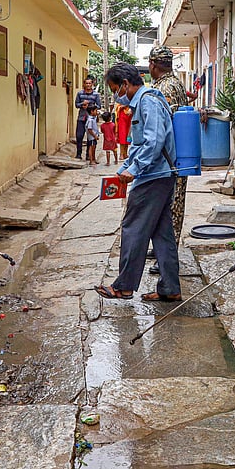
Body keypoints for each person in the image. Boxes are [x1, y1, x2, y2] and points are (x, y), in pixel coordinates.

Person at [93, 62, 181, 303]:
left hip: (153, 177)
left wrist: (135, 169)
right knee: (162, 233)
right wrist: (125, 167)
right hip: (159, 175)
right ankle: (170, 288)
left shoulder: (148, 101)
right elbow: (141, 143)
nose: (115, 95)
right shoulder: (144, 101)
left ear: (125, 84)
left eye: (115, 90)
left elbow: (154, 141)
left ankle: (124, 287)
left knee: (133, 228)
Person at [147, 45, 190, 275]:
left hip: (170, 158)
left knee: (172, 207)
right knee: (166, 207)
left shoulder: (166, 87)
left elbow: (163, 126)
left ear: (153, 64)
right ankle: (161, 251)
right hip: (172, 157)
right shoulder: (171, 83)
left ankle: (167, 258)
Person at [74, 77, 101, 160]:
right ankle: (78, 154)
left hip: (91, 119)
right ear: (84, 84)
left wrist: (89, 106)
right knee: (79, 136)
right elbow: (76, 104)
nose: (88, 85)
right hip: (81, 118)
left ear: (92, 84)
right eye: (87, 83)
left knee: (90, 137)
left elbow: (99, 106)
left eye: (90, 83)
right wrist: (82, 104)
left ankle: (88, 155)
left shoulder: (96, 94)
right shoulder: (80, 93)